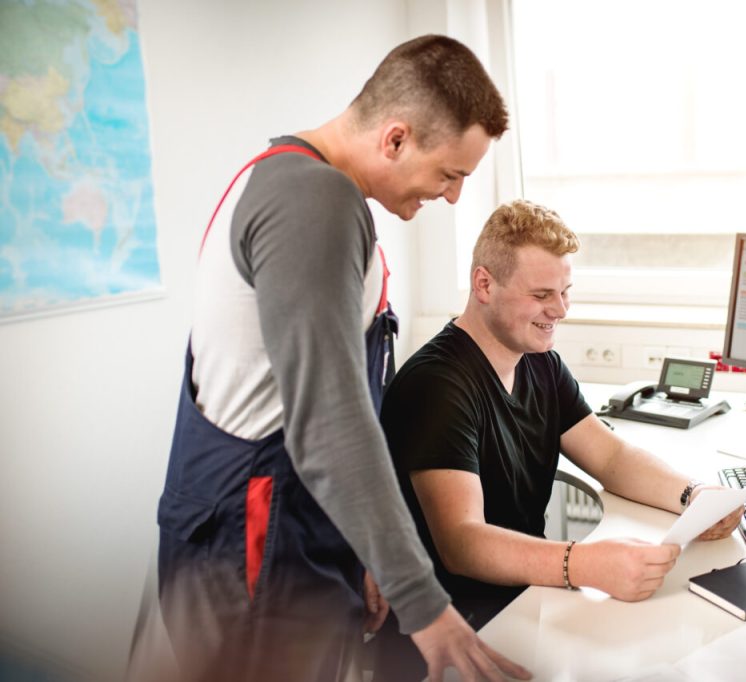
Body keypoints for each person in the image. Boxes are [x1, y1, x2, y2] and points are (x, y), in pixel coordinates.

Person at [153, 35, 531, 682]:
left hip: (282, 526)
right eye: (450, 174)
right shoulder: (314, 202)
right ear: (395, 139)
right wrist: (423, 600)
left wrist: (369, 550)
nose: (452, 198)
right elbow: (328, 422)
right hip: (258, 541)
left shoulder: (296, 184)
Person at [374, 199, 743, 679]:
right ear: (484, 284)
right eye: (543, 294)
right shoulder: (437, 384)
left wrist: (693, 497)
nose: (560, 310)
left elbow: (608, 456)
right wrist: (584, 565)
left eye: (566, 291)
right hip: (455, 633)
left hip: (523, 600)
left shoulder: (538, 360)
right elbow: (460, 543)